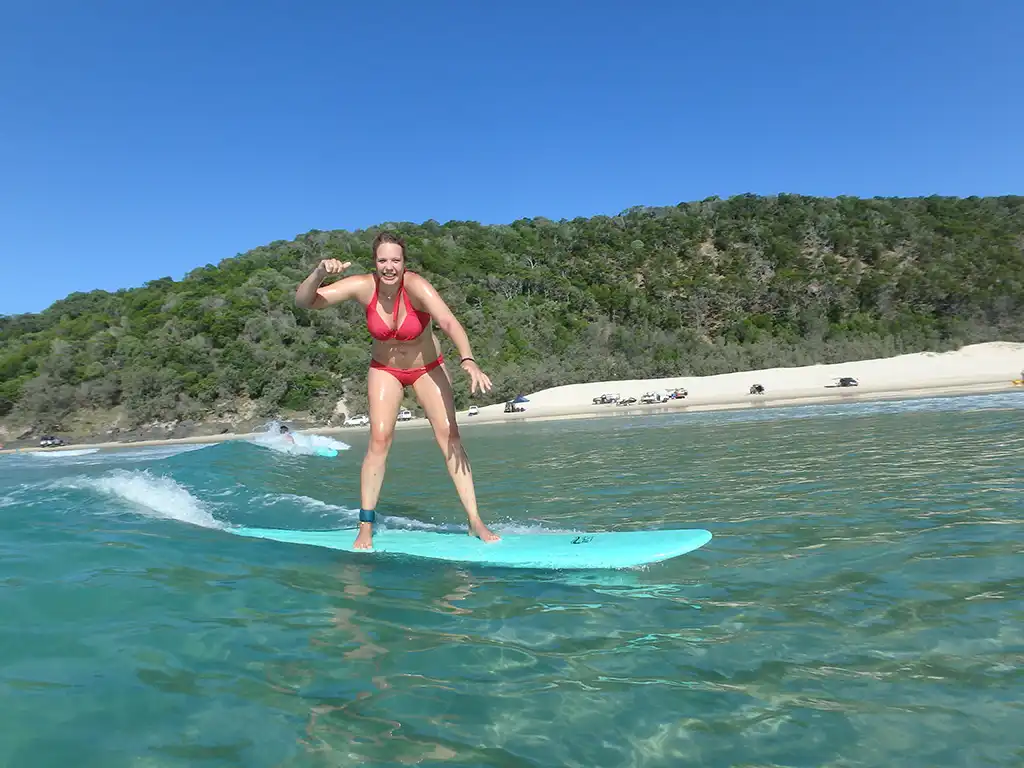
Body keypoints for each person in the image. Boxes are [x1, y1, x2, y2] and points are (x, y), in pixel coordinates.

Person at [294, 232, 500, 550]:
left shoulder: (416, 286)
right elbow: (305, 301)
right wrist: (319, 272)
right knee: (379, 439)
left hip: (427, 368)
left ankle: (475, 521)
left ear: (404, 263)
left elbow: (446, 320)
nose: (389, 267)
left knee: (450, 436)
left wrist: (468, 359)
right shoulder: (363, 286)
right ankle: (365, 525)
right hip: (385, 370)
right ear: (374, 262)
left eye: (395, 260)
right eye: (382, 260)